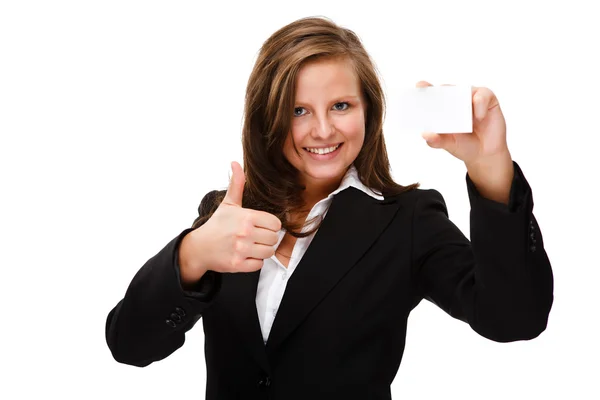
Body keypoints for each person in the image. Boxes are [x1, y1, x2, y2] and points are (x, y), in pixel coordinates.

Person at [105, 16, 553, 399]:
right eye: (298, 110)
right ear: (268, 118)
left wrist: (491, 166)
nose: (322, 129)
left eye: (340, 105)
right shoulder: (228, 215)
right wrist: (193, 254)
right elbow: (130, 345)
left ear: (368, 112)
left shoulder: (408, 219)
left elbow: (514, 318)